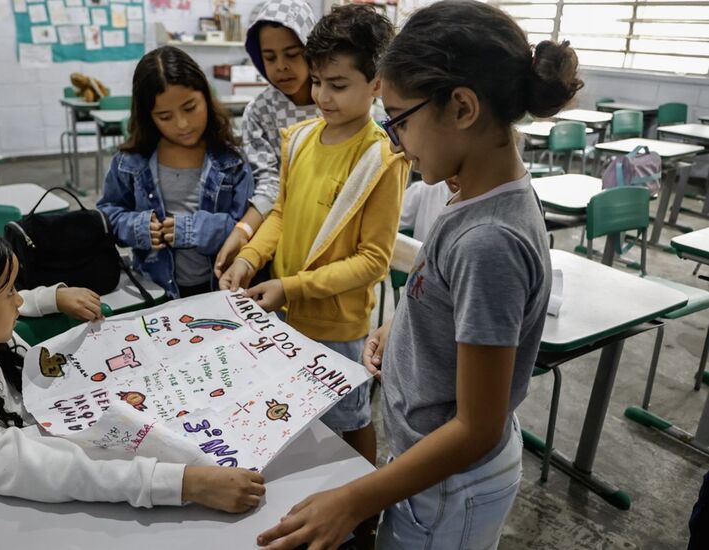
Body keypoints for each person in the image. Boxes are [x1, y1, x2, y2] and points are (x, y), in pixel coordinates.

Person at [256, 1, 583, 548]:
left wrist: (355, 498)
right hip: (430, 465)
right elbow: (450, 295)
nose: (395, 141)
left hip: (450, 484)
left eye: (400, 120)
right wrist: (402, 324)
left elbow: (476, 428)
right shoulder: (473, 189)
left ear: (461, 108)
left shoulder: (489, 240)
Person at [0, 214, 265, 512]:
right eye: (10, 291)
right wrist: (184, 485)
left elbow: (8, 302)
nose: (20, 301)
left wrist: (52, 298)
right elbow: (53, 470)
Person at [220, 4, 405, 468]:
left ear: (377, 83)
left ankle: (362, 501)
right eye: (318, 81)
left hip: (337, 326)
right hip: (285, 312)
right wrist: (248, 257)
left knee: (349, 419)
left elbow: (373, 260)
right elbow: (281, 214)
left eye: (338, 85)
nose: (322, 96)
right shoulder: (300, 139)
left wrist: (292, 287)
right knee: (297, 412)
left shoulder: (382, 157)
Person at [97, 46, 253, 300]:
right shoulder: (130, 162)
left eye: (190, 108)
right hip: (154, 292)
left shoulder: (232, 161)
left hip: (219, 290)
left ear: (206, 96)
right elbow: (106, 216)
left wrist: (193, 230)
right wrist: (136, 227)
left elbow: (247, 227)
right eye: (165, 116)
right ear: (149, 117)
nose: (182, 124)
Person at [214, 0, 319, 277]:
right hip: (281, 234)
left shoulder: (334, 101)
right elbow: (270, 184)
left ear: (312, 51)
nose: (281, 66)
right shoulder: (260, 112)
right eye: (270, 58)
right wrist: (243, 230)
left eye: (292, 54)